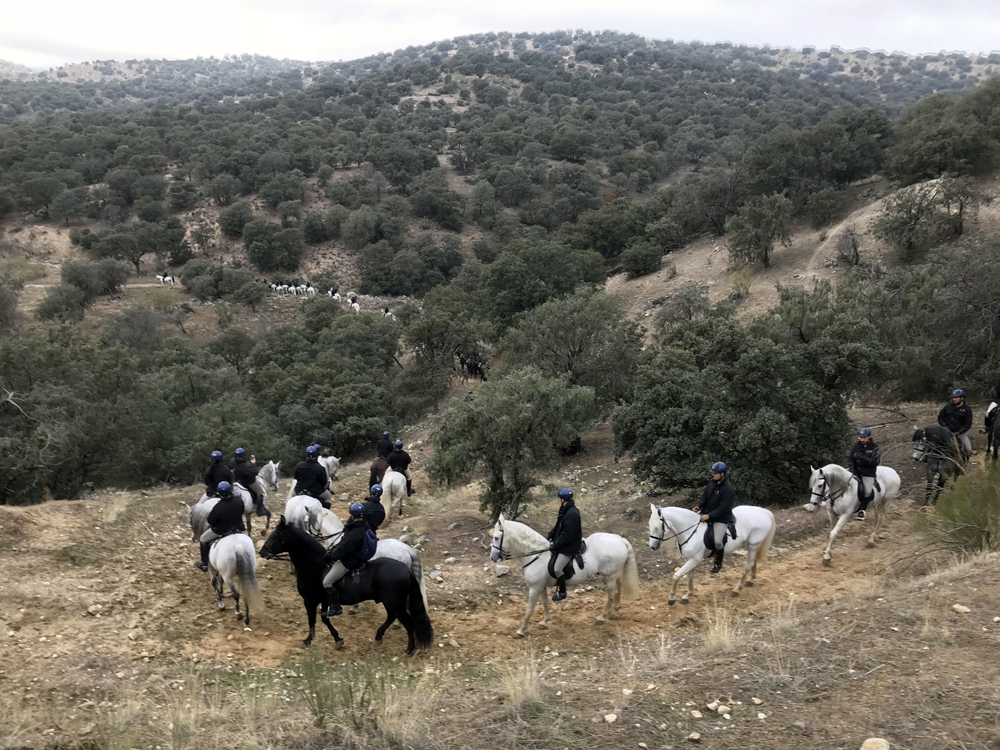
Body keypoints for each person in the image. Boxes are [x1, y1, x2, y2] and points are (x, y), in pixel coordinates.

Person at [321, 503, 374, 617]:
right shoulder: (364, 525)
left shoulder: (353, 535)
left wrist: (330, 554)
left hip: (350, 562)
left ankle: (336, 607)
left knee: (327, 581)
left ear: (353, 516)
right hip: (357, 555)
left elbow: (340, 552)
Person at [693, 462, 736, 574]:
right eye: (713, 473)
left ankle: (718, 563)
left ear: (722, 474)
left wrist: (709, 516)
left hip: (720, 518)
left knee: (717, 541)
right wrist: (698, 506)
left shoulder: (728, 489)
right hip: (706, 513)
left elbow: (723, 508)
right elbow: (705, 497)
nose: (713, 475)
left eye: (715, 473)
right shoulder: (712, 482)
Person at [194, 482, 245, 572]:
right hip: (238, 527)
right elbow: (242, 511)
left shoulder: (218, 507)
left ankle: (204, 563)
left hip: (222, 530)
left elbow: (211, 521)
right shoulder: (239, 500)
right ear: (230, 490)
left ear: (219, 493)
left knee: (203, 539)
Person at [547, 488, 582, 602]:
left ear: (563, 499)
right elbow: (558, 525)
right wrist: (550, 536)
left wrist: (555, 545)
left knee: (557, 569)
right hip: (564, 542)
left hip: (570, 546)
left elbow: (567, 535)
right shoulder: (564, 509)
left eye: (559, 498)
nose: (558, 500)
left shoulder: (572, 514)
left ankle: (562, 592)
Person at [847, 428, 881, 521]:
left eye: (864, 437)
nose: (862, 439)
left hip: (868, 473)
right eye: (861, 437)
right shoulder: (856, 446)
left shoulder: (875, 448)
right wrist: (851, 468)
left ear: (869, 437)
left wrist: (861, 457)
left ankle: (862, 510)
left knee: (867, 492)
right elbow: (850, 458)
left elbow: (875, 462)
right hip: (855, 471)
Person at [938, 389, 973, 459]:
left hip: (960, 433)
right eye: (953, 398)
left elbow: (968, 424)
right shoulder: (948, 407)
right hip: (946, 431)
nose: (954, 399)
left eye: (956, 398)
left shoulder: (967, 410)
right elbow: (940, 418)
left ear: (962, 398)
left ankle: (964, 462)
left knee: (968, 449)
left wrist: (958, 432)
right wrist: (944, 426)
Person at [231, 448, 266, 515]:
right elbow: (255, 472)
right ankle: (259, 510)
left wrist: (249, 464)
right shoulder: (247, 466)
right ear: (244, 456)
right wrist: (253, 464)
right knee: (260, 493)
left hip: (236, 481)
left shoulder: (232, 461)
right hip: (248, 482)